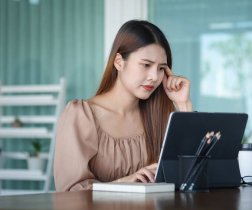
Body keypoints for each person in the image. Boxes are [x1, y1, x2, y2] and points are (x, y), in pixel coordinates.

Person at [54, 20, 192, 192]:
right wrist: (124, 183)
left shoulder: (160, 116)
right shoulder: (81, 115)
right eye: (146, 65)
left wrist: (183, 104)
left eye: (161, 68)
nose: (154, 77)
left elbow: (192, 175)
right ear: (119, 62)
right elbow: (69, 194)